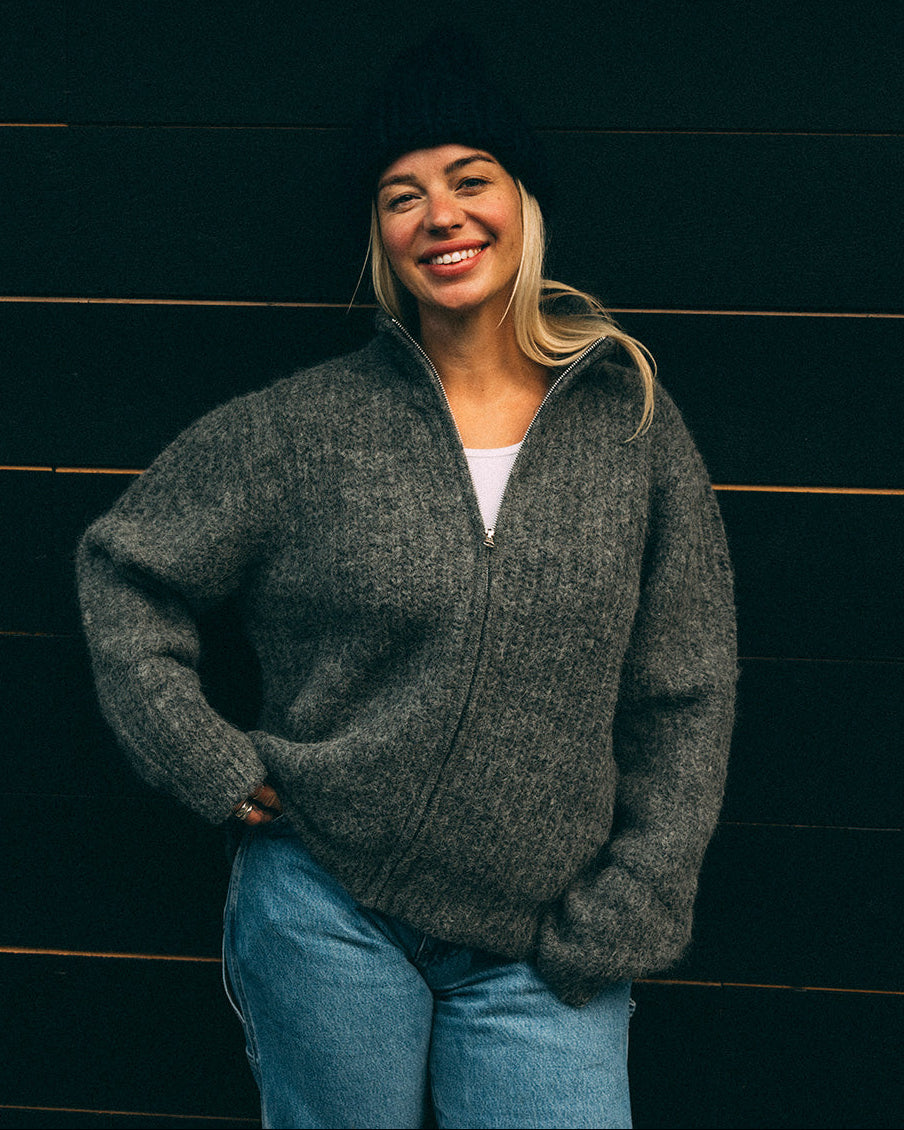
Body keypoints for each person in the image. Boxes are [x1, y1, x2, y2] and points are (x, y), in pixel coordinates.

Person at [77, 37, 736, 1130]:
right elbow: (124, 566)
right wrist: (202, 756)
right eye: (402, 195)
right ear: (380, 237)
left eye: (470, 180)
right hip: (324, 909)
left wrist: (629, 906)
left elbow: (687, 692)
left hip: (546, 944)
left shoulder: (632, 426)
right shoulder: (302, 426)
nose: (442, 214)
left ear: (523, 204)